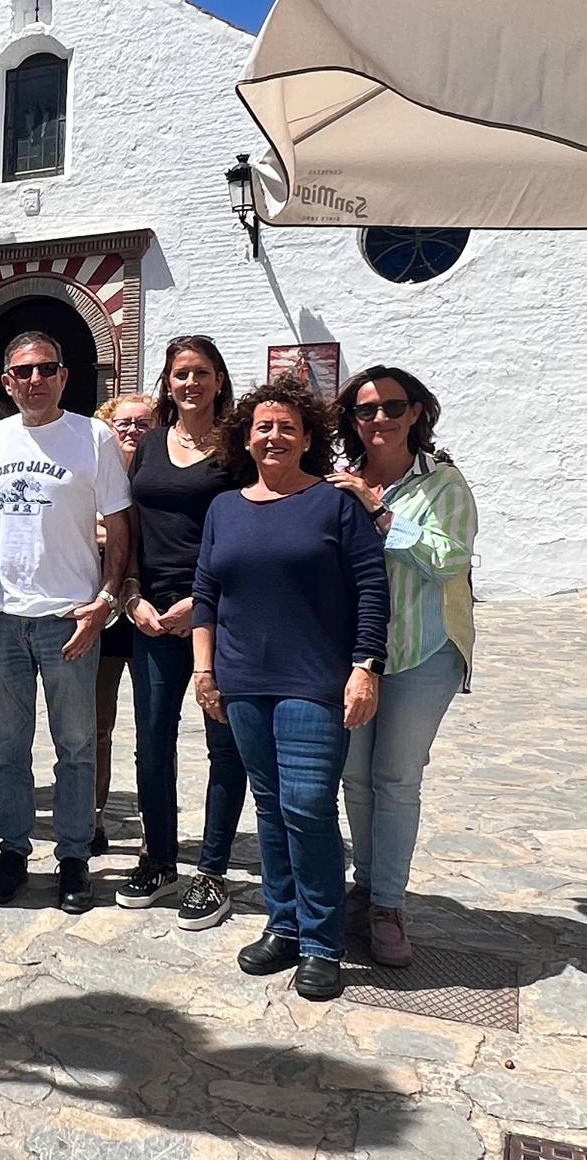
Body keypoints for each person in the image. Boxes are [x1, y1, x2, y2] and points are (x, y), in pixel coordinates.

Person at [192, 379, 388, 1002]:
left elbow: (371, 588)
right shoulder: (224, 509)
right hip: (242, 681)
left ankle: (323, 942)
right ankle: (283, 925)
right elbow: (206, 595)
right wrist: (204, 671)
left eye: (287, 427)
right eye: (263, 427)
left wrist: (365, 666)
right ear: (245, 438)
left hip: (314, 681)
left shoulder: (335, 504)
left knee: (307, 807)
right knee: (271, 807)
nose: (273, 436)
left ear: (307, 439)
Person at [0, 333, 133, 914]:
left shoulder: (93, 437)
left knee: (77, 746)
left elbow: (120, 523)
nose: (34, 379)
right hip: (2, 618)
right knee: (7, 746)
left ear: (64, 376)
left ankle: (73, 857)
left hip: (69, 618)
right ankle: (13, 850)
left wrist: (106, 598)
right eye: (23, 371)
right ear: (7, 382)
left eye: (46, 369)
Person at [330, 366, 478, 968]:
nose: (380, 420)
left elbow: (449, 560)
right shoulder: (340, 479)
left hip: (424, 648)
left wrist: (382, 513)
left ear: (415, 412)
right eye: (366, 410)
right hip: (354, 652)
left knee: (395, 777)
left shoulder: (443, 483)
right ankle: (365, 888)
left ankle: (387, 905)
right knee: (355, 776)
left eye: (393, 407)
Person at [117, 338, 249, 931]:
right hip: (152, 614)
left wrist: (202, 602)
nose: (189, 383)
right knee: (152, 740)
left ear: (219, 380)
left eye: (200, 373)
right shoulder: (149, 444)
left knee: (224, 743)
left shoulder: (238, 447)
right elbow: (133, 525)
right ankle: (160, 858)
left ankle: (213, 869)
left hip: (220, 612)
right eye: (179, 374)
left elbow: (249, 525)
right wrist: (133, 593)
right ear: (167, 382)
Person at [91, 392, 154, 857]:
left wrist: (113, 533)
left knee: (153, 729)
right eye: (124, 423)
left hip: (152, 608)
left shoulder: (162, 477)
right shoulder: (95, 476)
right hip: (105, 610)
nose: (132, 431)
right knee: (97, 725)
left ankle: (156, 826)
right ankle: (92, 817)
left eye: (143, 424)